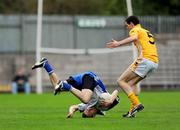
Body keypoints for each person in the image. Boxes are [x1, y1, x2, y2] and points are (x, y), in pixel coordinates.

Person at [106, 16, 159, 118]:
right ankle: (132, 111)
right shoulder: (146, 31)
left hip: (145, 60)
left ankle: (137, 104)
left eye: (127, 25)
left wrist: (118, 43)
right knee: (131, 84)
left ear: (131, 24)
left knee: (121, 81)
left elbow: (134, 38)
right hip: (154, 63)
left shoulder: (135, 30)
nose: (127, 28)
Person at [32, 58, 119, 118]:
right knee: (85, 99)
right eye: (89, 112)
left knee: (56, 86)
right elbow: (116, 91)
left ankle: (46, 64)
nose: (87, 110)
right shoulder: (105, 106)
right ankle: (67, 86)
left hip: (81, 81)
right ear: (93, 115)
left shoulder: (87, 106)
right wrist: (111, 100)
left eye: (86, 111)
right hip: (90, 78)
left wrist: (71, 112)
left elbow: (73, 107)